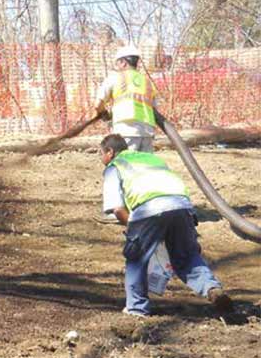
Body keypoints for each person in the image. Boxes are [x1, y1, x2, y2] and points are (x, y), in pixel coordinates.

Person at [99, 133, 232, 317]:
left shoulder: (115, 167)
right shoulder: (151, 158)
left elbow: (118, 209)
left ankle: (136, 309)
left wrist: (134, 232)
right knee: (187, 256)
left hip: (149, 208)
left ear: (110, 152)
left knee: (136, 257)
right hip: (182, 206)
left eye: (101, 154)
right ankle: (212, 288)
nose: (101, 160)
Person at [94, 44, 158, 153]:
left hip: (126, 130)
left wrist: (105, 115)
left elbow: (97, 104)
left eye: (118, 63)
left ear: (123, 62)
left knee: (126, 165)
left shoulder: (115, 77)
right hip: (147, 132)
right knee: (145, 166)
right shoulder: (148, 82)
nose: (117, 66)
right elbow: (155, 109)